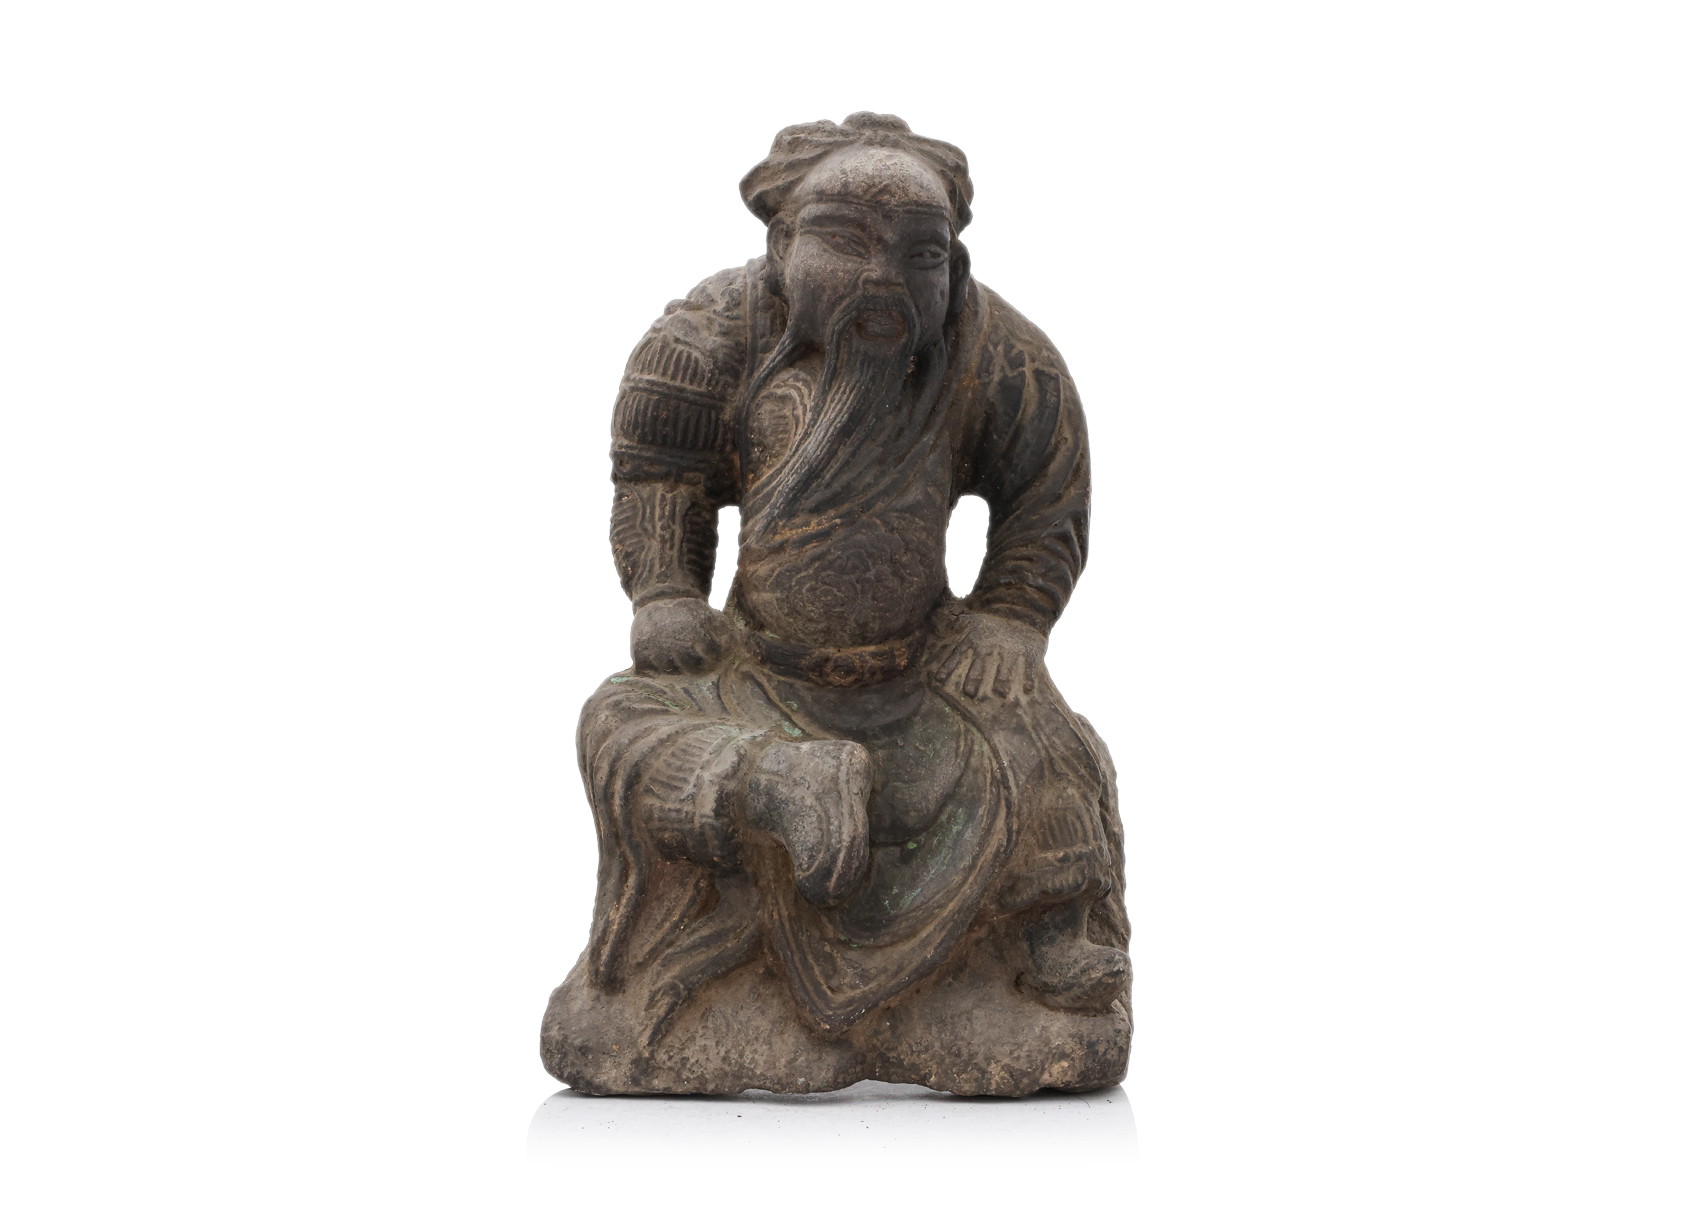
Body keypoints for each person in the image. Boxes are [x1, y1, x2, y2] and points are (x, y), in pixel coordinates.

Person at [543, 114, 1129, 1094]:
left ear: (954, 266)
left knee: (1051, 745)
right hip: (754, 676)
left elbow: (1047, 492)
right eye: (845, 242)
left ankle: (1044, 939)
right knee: (619, 720)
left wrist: (1010, 617)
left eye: (918, 254)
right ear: (782, 244)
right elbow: (658, 478)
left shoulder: (1001, 355)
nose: (882, 276)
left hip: (920, 674)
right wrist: (664, 592)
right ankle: (768, 787)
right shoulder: (704, 338)